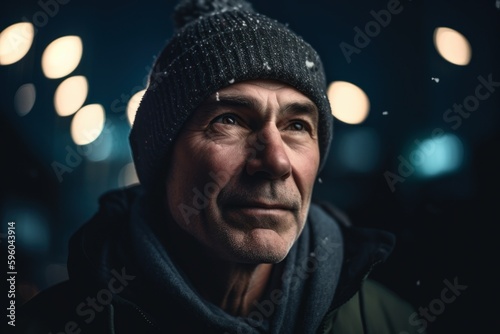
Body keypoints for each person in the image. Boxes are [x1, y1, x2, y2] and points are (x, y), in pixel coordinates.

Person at [18, 0, 422, 333]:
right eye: (229, 119)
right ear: (161, 160)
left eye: (297, 125)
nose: (276, 161)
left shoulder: (394, 324)